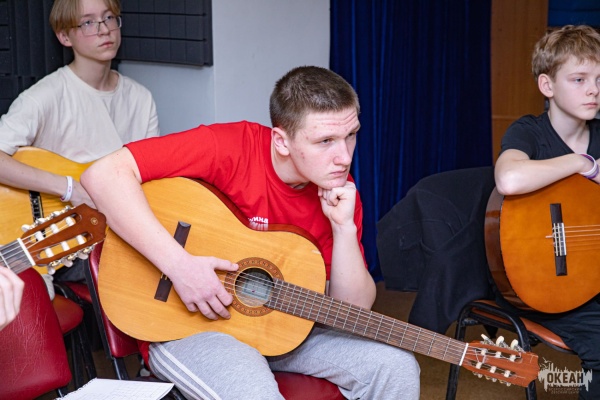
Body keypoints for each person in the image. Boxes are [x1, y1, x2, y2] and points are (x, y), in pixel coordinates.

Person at [81, 66, 420, 399]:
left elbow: (351, 313)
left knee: (397, 366)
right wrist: (180, 267)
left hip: (285, 330)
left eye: (351, 135)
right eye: (325, 141)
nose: (344, 157)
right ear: (282, 141)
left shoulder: (339, 193)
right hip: (188, 327)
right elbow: (102, 175)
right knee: (253, 390)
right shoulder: (227, 147)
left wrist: (344, 227)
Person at [0, 0, 159, 281]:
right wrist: (68, 188)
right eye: (88, 22)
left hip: (118, 234)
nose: (104, 30)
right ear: (64, 36)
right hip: (62, 244)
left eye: (109, 18)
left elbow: (153, 182)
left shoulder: (141, 99)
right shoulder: (42, 98)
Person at [494, 24, 600, 399]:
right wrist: (582, 163)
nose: (593, 89)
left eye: (599, 79)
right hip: (540, 285)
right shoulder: (529, 132)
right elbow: (508, 179)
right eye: (579, 79)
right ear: (547, 85)